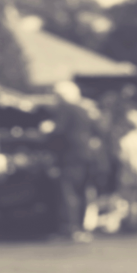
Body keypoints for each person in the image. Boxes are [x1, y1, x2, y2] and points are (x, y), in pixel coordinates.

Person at [49, 81, 97, 243]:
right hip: (85, 156)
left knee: (68, 192)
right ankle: (80, 228)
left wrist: (46, 131)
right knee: (81, 192)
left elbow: (58, 131)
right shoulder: (83, 110)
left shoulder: (66, 109)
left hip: (70, 156)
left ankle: (70, 228)